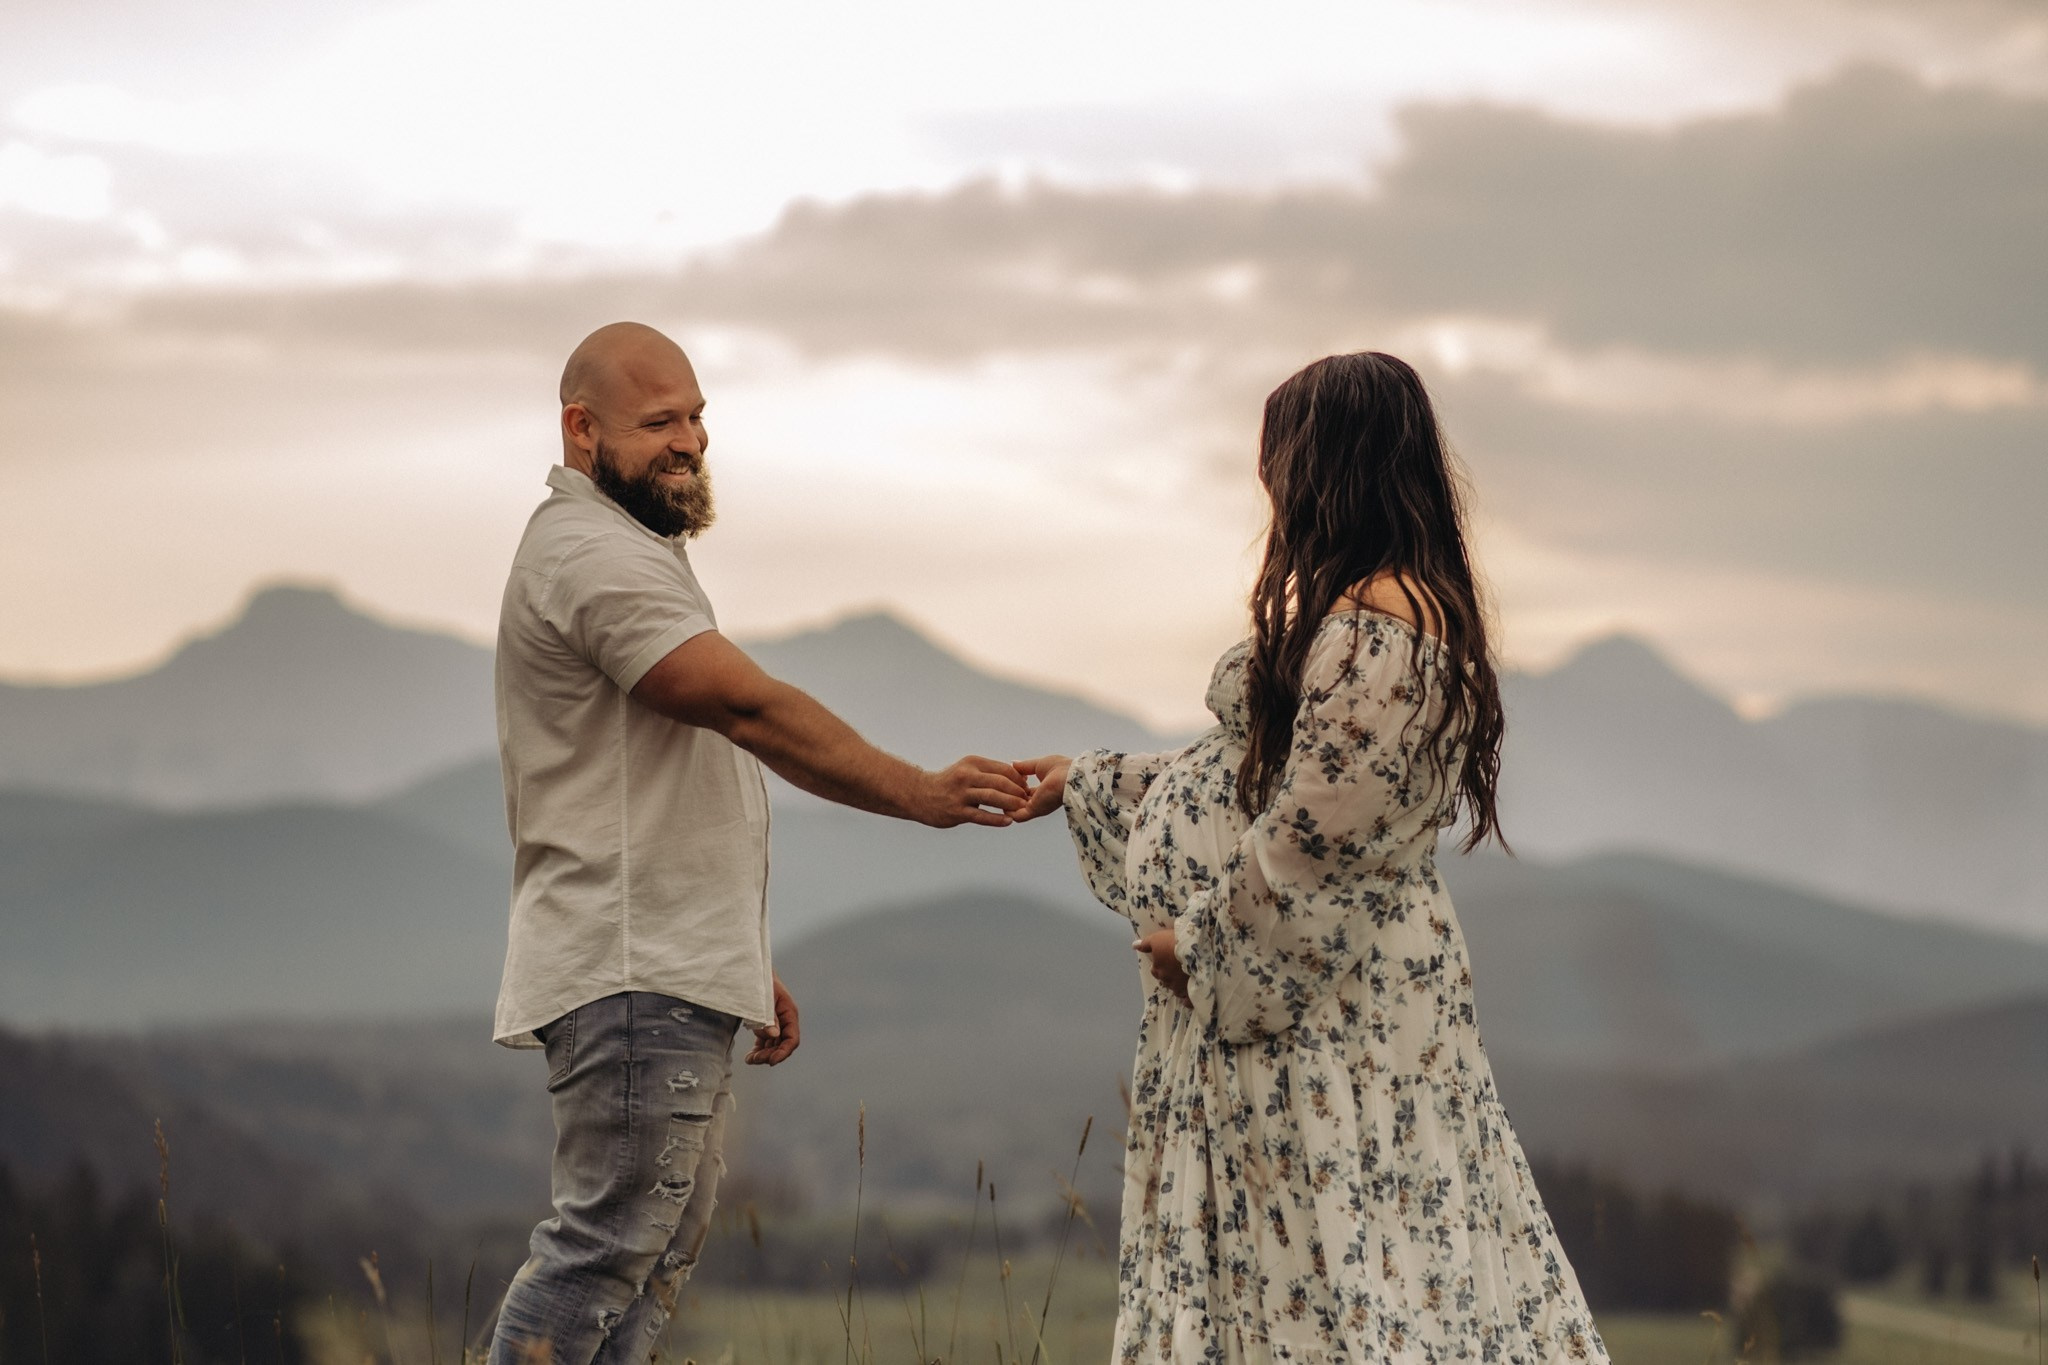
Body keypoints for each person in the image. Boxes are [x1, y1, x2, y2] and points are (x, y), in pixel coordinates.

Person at [1014, 353, 1608, 1363]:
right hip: (1297, 1013)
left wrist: (1198, 951)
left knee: (1342, 1276)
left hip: (1322, 1015)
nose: (1269, 490)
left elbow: (1322, 836)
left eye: (1278, 464)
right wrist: (1088, 781)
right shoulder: (1371, 615)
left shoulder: (1384, 623)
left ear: (1325, 466)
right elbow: (1260, 773)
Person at [488, 321, 1028, 1363]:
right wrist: (916, 792)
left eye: (696, 417)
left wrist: (732, 956)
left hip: (662, 962)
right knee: (606, 1248)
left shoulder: (632, 550)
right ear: (580, 428)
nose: (688, 441)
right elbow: (744, 709)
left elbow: (659, 785)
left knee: (652, 1253)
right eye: (659, 424)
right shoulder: (590, 554)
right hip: (629, 968)